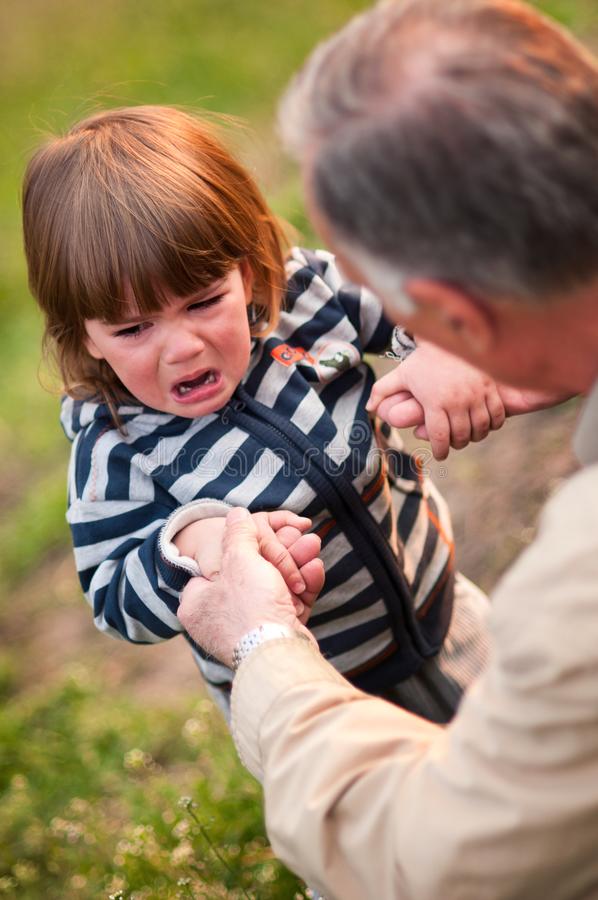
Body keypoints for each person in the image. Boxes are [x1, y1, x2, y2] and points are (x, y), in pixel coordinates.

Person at [176, 1, 598, 898]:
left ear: (458, 316)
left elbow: (444, 862)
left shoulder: (579, 595)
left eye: (389, 306)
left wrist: (260, 643)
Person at [23, 105, 506, 722]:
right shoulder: (117, 447)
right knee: (402, 815)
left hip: (442, 604)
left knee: (535, 758)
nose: (182, 347)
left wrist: (444, 347)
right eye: (134, 328)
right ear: (86, 335)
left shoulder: (305, 301)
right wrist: (190, 545)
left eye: (203, 302)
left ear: (245, 273)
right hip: (312, 702)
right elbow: (113, 597)